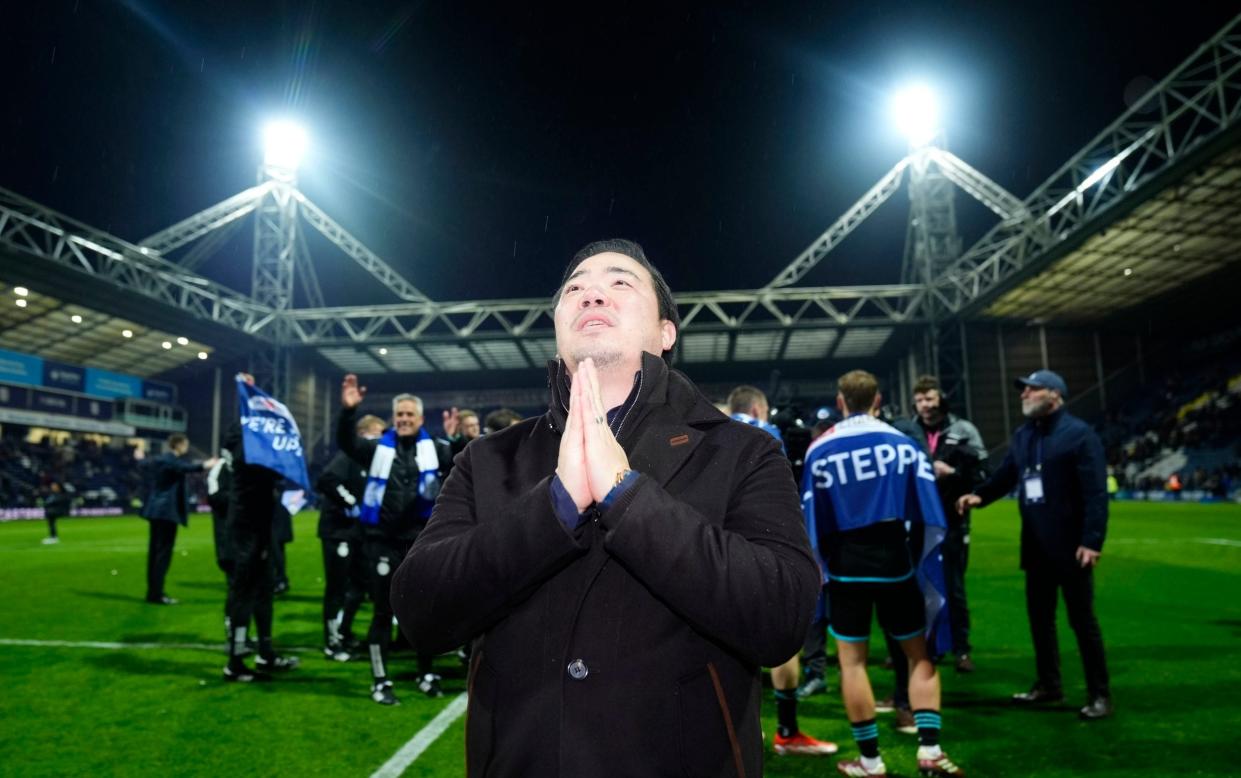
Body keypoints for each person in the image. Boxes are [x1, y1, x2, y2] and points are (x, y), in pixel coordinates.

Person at [392, 239, 821, 776]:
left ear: (667, 332)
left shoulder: (741, 450)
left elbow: (780, 618)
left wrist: (625, 494)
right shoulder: (486, 459)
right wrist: (556, 505)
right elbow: (421, 611)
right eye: (575, 288)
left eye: (621, 282)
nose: (592, 292)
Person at [804, 370, 963, 777]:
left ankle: (871, 762)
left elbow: (812, 519)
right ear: (877, 400)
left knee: (852, 663)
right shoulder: (904, 445)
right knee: (918, 656)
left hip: (846, 570)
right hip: (897, 563)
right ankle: (930, 751)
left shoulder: (820, 449)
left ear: (841, 402)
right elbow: (927, 510)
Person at [957, 369, 1112, 720]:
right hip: (1036, 547)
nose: (1024, 395)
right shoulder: (1024, 435)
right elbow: (1007, 475)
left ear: (1054, 395)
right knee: (1040, 621)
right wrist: (979, 496)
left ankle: (1100, 694)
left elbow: (1096, 494)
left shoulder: (1079, 435)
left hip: (1072, 548)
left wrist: (1092, 541)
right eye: (1023, 390)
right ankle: (1048, 684)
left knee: (1082, 622)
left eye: (1032, 389)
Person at [728, 383, 836, 756]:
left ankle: (741, 732)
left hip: (717, 555)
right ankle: (786, 732)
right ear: (759, 408)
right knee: (781, 638)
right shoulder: (767, 435)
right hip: (764, 551)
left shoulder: (707, 430)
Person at [336, 387, 453, 705]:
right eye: (398, 415)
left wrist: (455, 439)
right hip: (381, 543)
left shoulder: (437, 451)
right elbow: (346, 443)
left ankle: (426, 673)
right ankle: (380, 679)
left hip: (421, 541)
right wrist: (348, 413)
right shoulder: (376, 449)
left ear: (419, 418)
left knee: (424, 610)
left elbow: (464, 458)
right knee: (382, 612)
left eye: (408, 415)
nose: (402, 420)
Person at [911, 376, 987, 673]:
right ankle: (927, 646)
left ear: (941, 398)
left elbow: (984, 471)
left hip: (953, 521)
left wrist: (953, 473)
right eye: (919, 400)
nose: (925, 405)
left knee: (954, 588)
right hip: (918, 522)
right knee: (919, 586)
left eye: (929, 398)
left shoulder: (963, 430)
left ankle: (961, 649)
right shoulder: (910, 430)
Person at [315, 414, 385, 661]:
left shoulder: (371, 460)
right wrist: (350, 502)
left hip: (357, 532)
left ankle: (343, 632)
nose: (380, 438)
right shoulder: (348, 456)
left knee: (358, 585)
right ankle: (331, 643)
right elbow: (325, 480)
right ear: (363, 433)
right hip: (337, 531)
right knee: (336, 588)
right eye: (377, 433)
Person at [139, 434, 217, 605]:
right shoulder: (169, 460)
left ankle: (154, 591)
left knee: (155, 554)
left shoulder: (161, 460)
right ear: (179, 445)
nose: (187, 448)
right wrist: (205, 465)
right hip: (165, 511)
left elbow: (144, 464)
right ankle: (156, 593)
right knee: (162, 554)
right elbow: (184, 468)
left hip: (158, 511)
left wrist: (139, 457)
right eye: (185, 445)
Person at [41, 480, 71, 545]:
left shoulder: (62, 494)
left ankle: (53, 537)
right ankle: (53, 537)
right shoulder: (52, 494)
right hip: (53, 511)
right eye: (52, 486)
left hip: (59, 511)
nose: (53, 487)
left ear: (58, 486)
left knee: (50, 515)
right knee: (50, 519)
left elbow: (60, 503)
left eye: (54, 486)